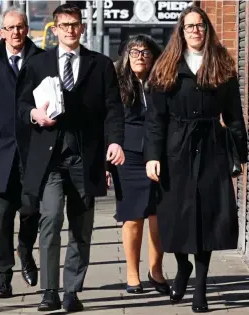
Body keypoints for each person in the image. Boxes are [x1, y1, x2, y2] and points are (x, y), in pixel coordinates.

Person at [16, 3, 125, 313]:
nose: (70, 29)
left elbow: (113, 109)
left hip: (85, 158)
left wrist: (115, 142)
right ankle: (49, 290)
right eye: (64, 25)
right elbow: (21, 106)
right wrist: (35, 114)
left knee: (81, 228)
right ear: (55, 28)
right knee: (50, 219)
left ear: (82, 27)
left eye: (75, 24)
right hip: (50, 159)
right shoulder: (37, 64)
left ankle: (71, 292)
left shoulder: (101, 65)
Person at [145, 6, 247, 313]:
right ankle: (182, 267)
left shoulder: (222, 65)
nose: (195, 31)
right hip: (175, 149)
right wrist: (152, 156)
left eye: (200, 25)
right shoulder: (167, 65)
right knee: (176, 217)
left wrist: (241, 155)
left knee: (207, 217)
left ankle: (200, 288)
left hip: (212, 147)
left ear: (207, 29)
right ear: (181, 30)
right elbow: (155, 119)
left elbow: (235, 117)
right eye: (189, 26)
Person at [0, 7, 42, 298]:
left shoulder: (41, 60)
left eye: (21, 27)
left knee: (30, 211)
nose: (16, 32)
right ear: (1, 32)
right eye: (10, 28)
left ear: (27, 29)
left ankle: (25, 252)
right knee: (0, 219)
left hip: (32, 151)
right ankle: (3, 276)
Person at [111, 34, 169, 295]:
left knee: (158, 217)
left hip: (160, 155)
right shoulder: (116, 82)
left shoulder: (162, 82)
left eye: (145, 52)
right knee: (133, 216)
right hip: (128, 155)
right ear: (126, 56)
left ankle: (156, 270)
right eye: (134, 52)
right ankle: (132, 274)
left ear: (153, 56)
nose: (140, 57)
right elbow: (108, 121)